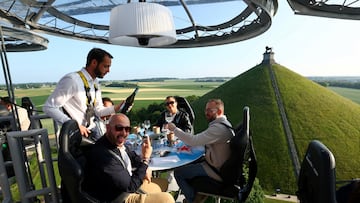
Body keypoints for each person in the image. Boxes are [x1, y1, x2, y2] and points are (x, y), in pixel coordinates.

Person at [83, 114, 174, 203]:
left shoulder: (114, 142)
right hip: (119, 197)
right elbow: (130, 186)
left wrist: (144, 166)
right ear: (108, 128)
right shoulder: (104, 156)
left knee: (163, 183)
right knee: (167, 199)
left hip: (126, 185)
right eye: (119, 128)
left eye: (127, 129)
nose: (124, 133)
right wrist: (145, 161)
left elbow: (131, 155)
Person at [43, 48, 125, 141]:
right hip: (76, 134)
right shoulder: (72, 80)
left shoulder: (95, 83)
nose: (108, 70)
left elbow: (98, 111)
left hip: (91, 130)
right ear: (94, 63)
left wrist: (117, 108)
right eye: (105, 66)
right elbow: (49, 107)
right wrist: (74, 125)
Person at [166, 99, 233, 203]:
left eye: (210, 110)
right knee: (186, 164)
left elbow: (193, 140)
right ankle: (197, 194)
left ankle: (192, 199)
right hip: (217, 163)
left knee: (178, 173)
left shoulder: (218, 129)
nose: (206, 113)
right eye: (206, 110)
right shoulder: (222, 124)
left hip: (215, 170)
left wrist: (174, 129)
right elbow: (202, 141)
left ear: (219, 112)